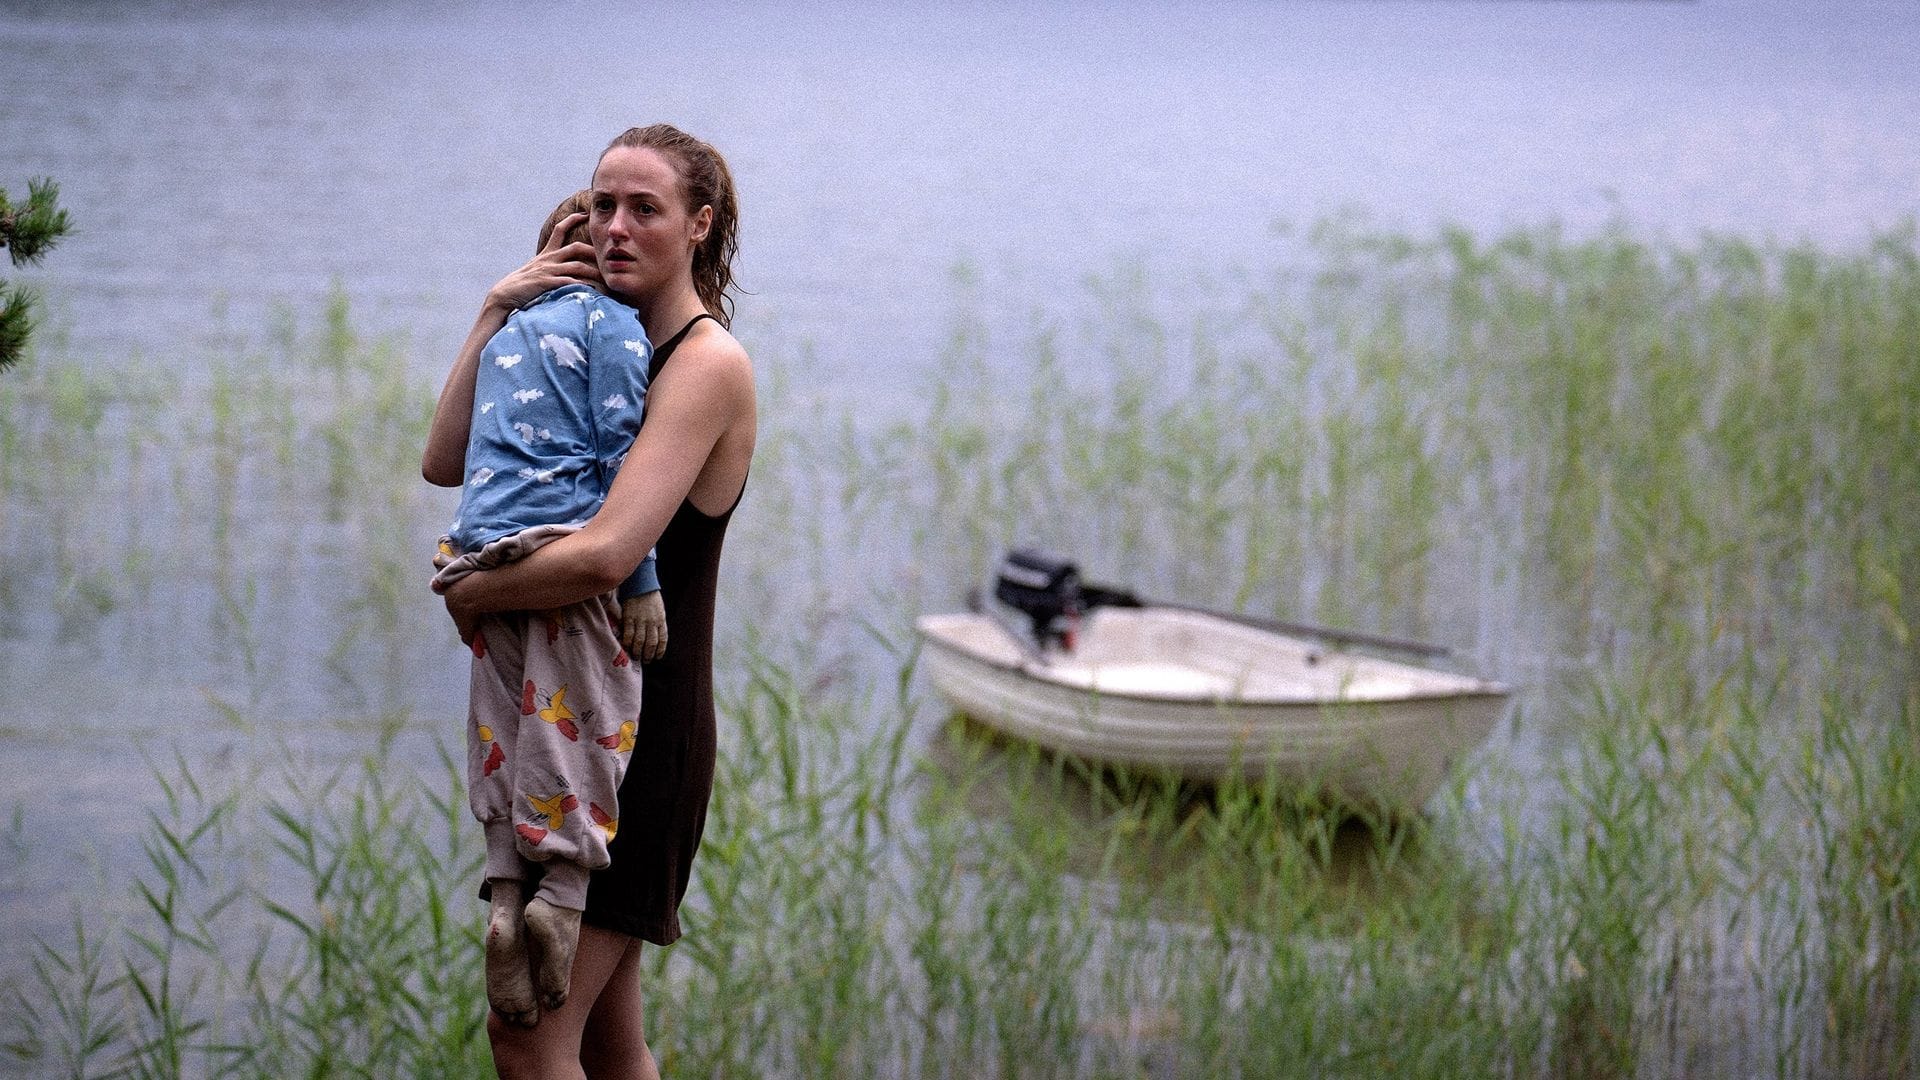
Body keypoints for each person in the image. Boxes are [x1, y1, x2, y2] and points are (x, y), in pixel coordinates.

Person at [423, 123, 755, 1080]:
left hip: (634, 739)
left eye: (645, 208)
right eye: (603, 204)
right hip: (563, 719)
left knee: (528, 1039)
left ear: (699, 224)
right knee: (611, 1046)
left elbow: (608, 554)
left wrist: (471, 588)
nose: (615, 226)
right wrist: (498, 307)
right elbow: (445, 459)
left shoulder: (703, 363)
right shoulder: (583, 340)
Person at [427, 189, 668, 1029]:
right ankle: (560, 894)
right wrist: (641, 582)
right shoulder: (616, 328)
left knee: (503, 721)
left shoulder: (508, 336)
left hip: (479, 545)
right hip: (561, 548)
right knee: (584, 718)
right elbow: (619, 457)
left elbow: (446, 464)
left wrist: (497, 302)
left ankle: (503, 891)